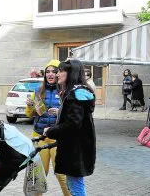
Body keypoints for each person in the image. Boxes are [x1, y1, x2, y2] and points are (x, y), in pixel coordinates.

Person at [43, 59, 96, 196]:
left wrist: (51, 131)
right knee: (74, 185)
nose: (57, 74)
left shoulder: (74, 95)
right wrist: (60, 111)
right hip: (77, 148)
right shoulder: (77, 92)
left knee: (76, 186)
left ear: (71, 73)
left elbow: (73, 124)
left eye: (60, 71)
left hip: (75, 149)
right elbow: (76, 118)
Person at [25, 60, 71, 196]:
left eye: (54, 71)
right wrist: (29, 105)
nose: (50, 74)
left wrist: (60, 112)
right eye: (48, 72)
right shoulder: (38, 91)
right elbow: (29, 114)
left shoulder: (66, 91)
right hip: (40, 137)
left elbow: (73, 116)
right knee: (38, 175)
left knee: (61, 174)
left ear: (60, 73)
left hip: (58, 138)